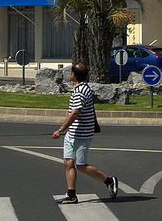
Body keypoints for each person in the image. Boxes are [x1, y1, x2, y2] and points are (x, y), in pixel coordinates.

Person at [51, 62, 119, 204]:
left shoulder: (81, 90)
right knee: (68, 162)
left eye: (70, 72)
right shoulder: (79, 88)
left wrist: (60, 129)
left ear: (73, 74)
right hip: (73, 133)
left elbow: (75, 113)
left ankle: (109, 181)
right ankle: (71, 195)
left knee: (81, 166)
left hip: (81, 134)